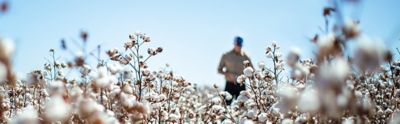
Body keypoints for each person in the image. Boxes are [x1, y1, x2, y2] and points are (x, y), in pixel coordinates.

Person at [218, 36, 253, 105]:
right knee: (226, 105)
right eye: (237, 44)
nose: (238, 46)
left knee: (242, 106)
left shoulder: (246, 57)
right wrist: (227, 74)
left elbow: (252, 71)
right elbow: (219, 70)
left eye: (240, 45)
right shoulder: (226, 55)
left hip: (241, 85)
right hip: (229, 84)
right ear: (234, 44)